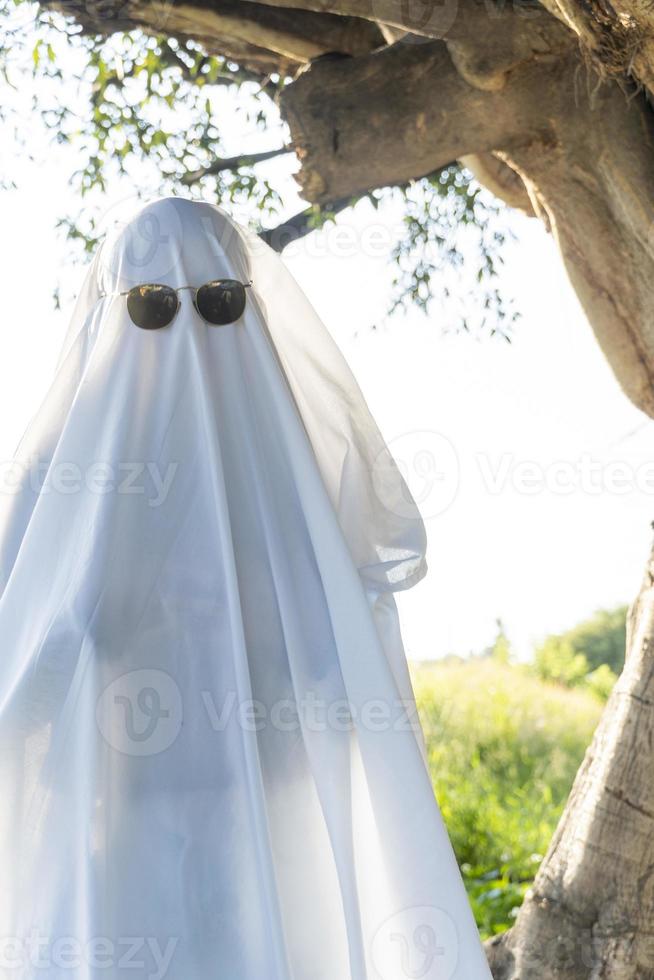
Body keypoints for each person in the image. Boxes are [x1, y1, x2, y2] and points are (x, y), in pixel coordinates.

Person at [0, 198, 492, 980]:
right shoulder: (60, 483)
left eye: (220, 303)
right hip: (117, 856)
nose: (191, 329)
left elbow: (346, 662)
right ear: (112, 308)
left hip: (282, 845)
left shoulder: (297, 478)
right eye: (154, 306)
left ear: (253, 305)